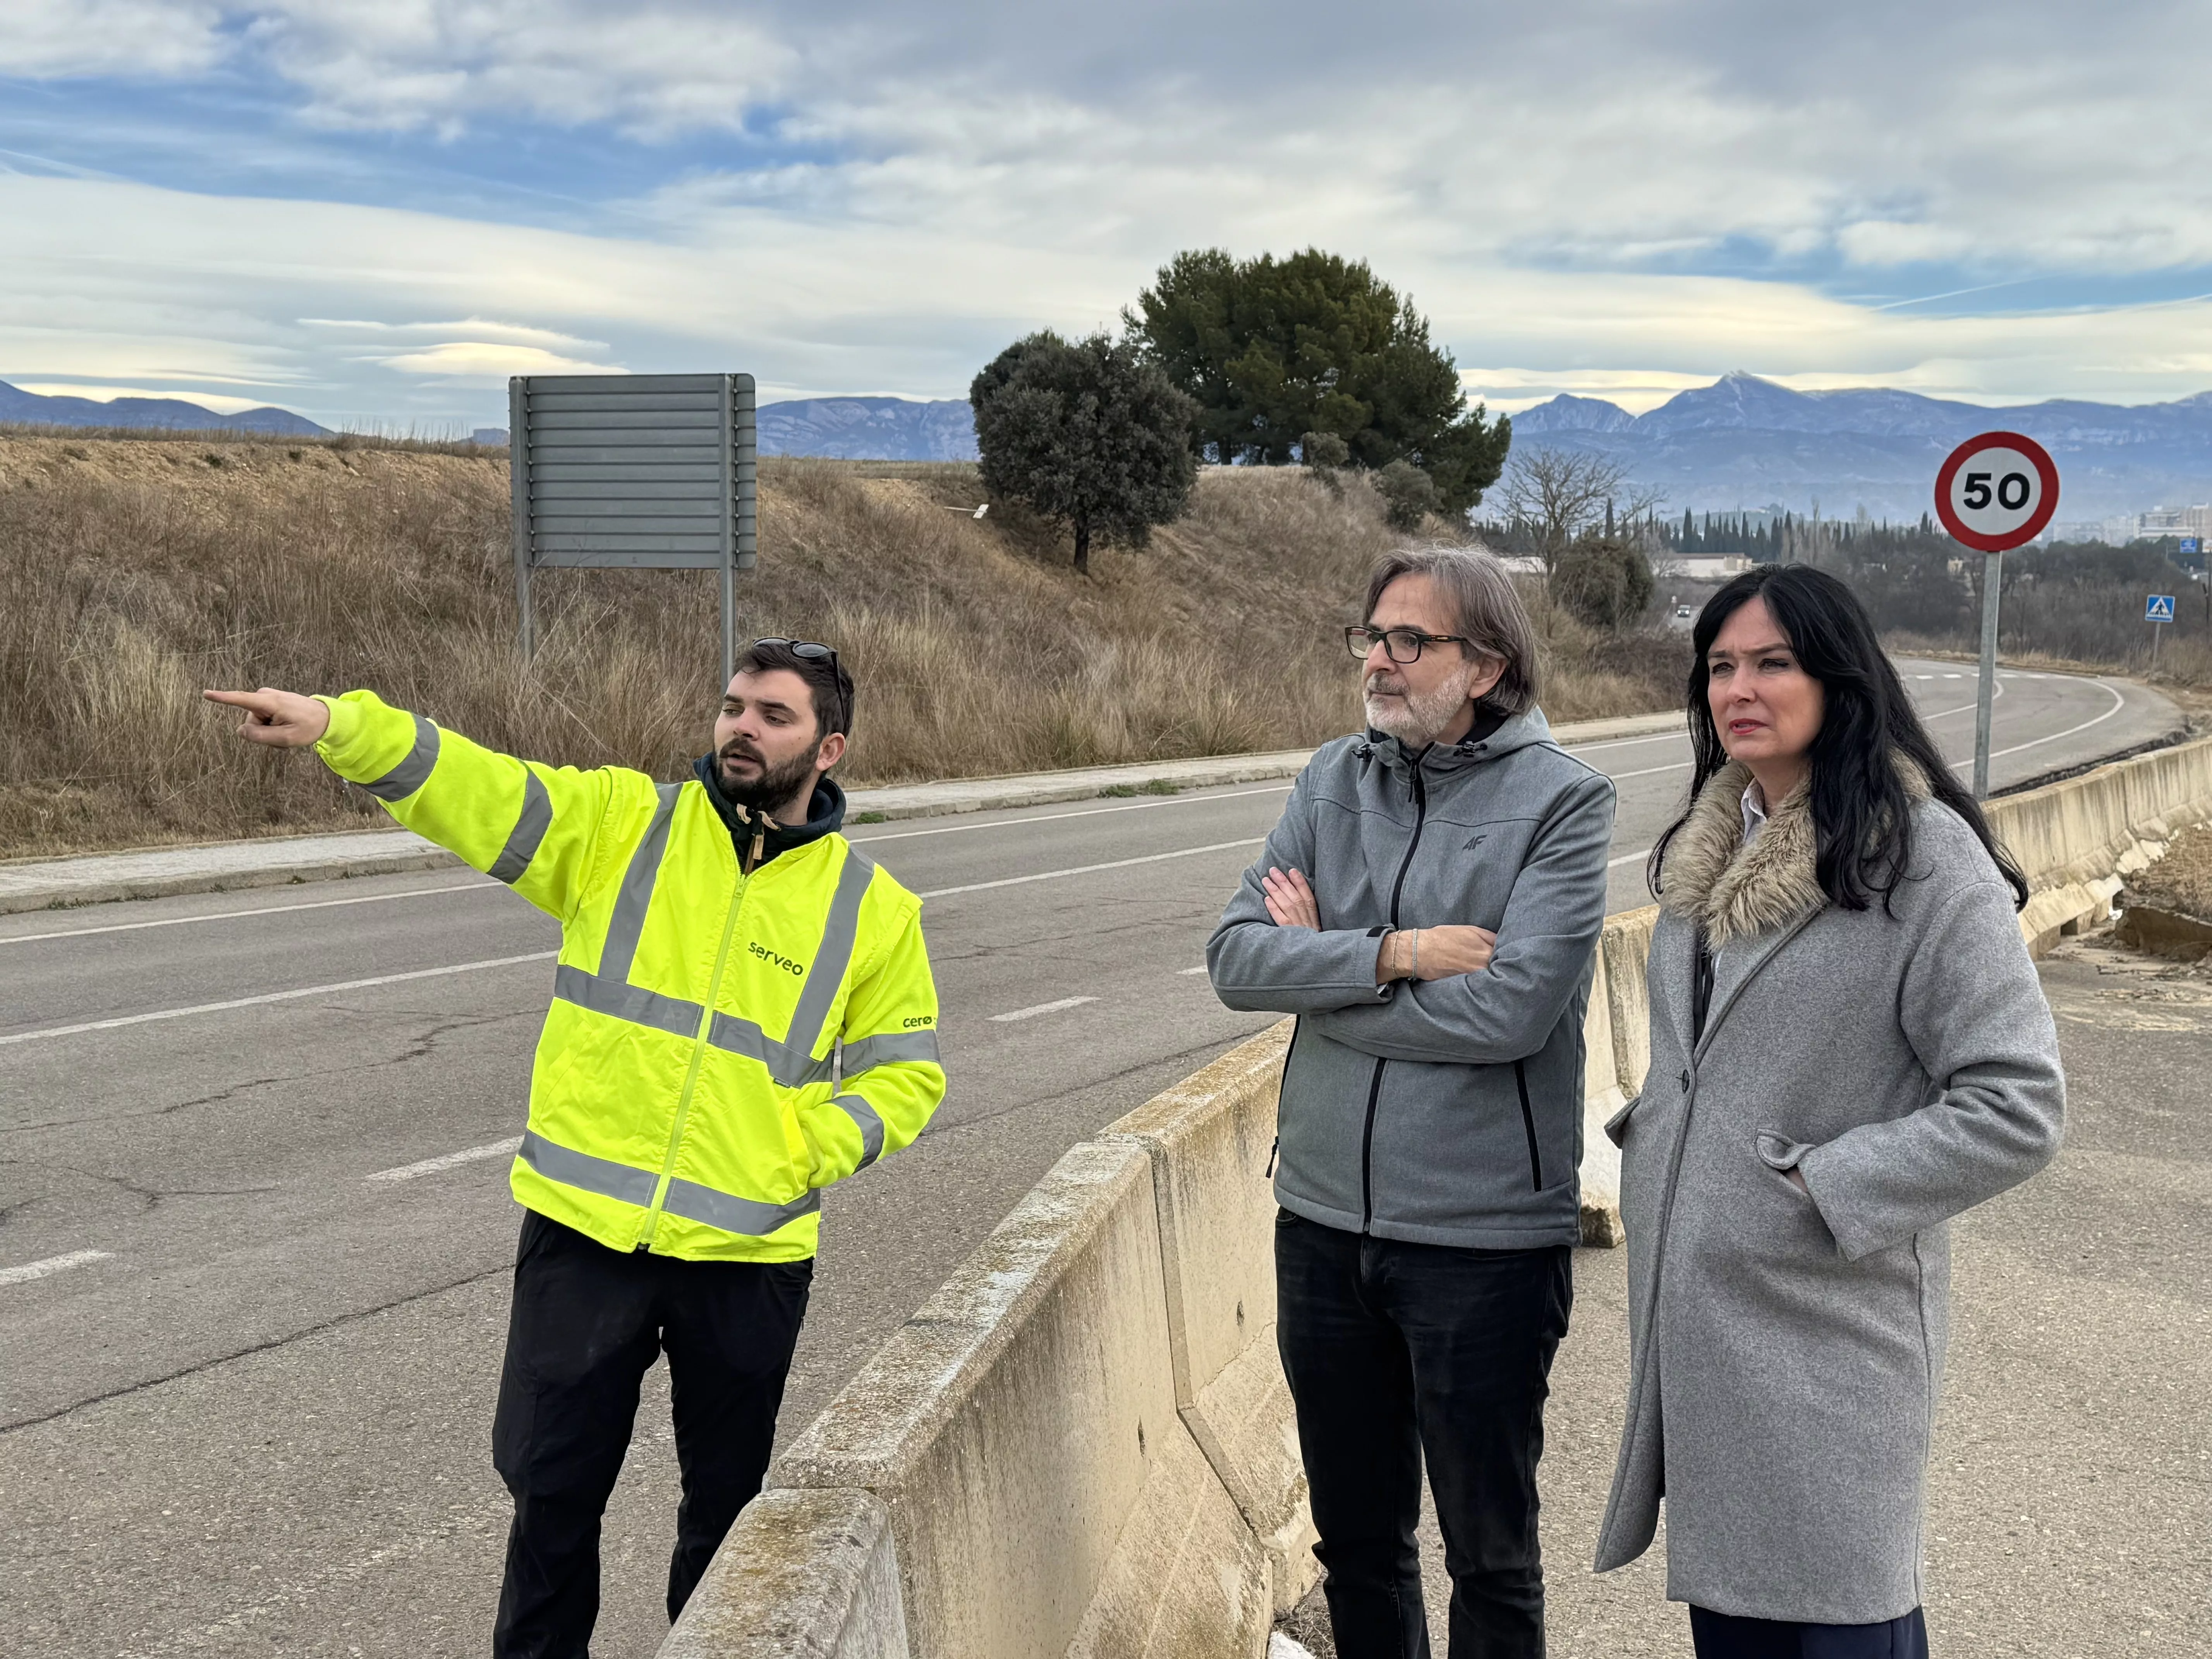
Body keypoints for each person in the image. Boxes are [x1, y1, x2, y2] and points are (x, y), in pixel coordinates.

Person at [204, 639, 945, 1659]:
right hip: (583, 1238)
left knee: (726, 1524)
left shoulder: (872, 909)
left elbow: (908, 1073)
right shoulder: (622, 827)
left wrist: (803, 1146)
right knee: (551, 1502)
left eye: (774, 714)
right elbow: (478, 788)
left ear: (830, 747)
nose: (741, 724)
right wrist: (344, 728)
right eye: (732, 705)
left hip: (747, 1257)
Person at [1593, 566, 2065, 1657]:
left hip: (1829, 1333)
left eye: (1773, 662)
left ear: (1839, 679)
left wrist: (1821, 1182)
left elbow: (2020, 1101)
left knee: (1845, 1619)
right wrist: (1660, 1140)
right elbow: (1703, 1056)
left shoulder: (1923, 855)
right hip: (1707, 1327)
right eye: (1720, 665)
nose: (1738, 687)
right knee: (1739, 1620)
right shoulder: (1710, 847)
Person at [1208, 546, 1617, 1657]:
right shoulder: (1332, 780)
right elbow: (1238, 962)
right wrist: (1397, 952)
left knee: (1489, 1553)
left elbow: (1512, 1017)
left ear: (1485, 665)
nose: (1379, 661)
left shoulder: (1566, 802)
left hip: (1484, 1242)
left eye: (1410, 641)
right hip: (1324, 1223)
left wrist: (1328, 971)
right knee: (1358, 1544)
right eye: (1372, 637)